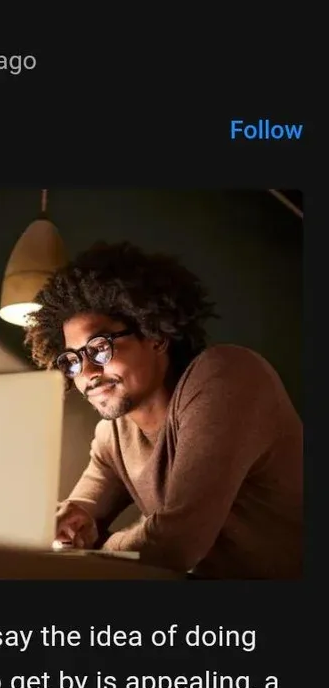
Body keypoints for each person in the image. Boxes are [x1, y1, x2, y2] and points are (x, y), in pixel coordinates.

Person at [24, 241, 302, 579]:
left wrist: (101, 546)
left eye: (99, 348)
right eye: (73, 360)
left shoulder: (227, 376)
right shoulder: (113, 434)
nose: (87, 374)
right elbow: (75, 520)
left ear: (155, 335)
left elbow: (175, 544)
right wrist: (69, 524)